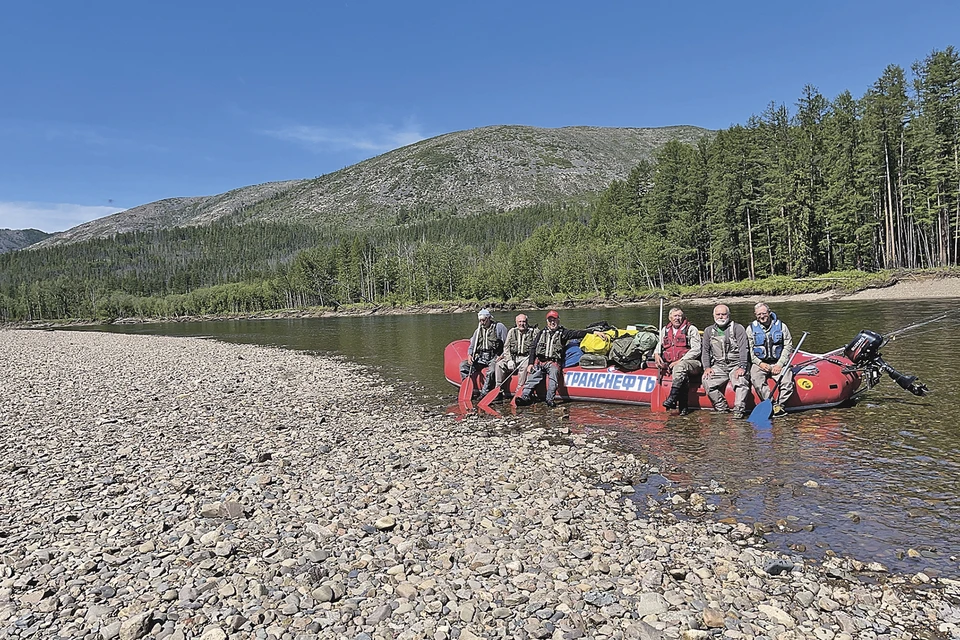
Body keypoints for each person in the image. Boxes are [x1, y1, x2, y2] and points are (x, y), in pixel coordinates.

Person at [516, 310, 595, 407]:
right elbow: (533, 347)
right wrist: (530, 363)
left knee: (553, 377)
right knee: (533, 376)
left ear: (558, 321)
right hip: (540, 362)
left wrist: (593, 332)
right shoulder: (541, 333)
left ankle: (549, 399)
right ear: (547, 321)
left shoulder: (563, 333)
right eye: (550, 320)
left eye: (554, 320)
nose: (552, 322)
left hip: (553, 362)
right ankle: (525, 397)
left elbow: (577, 333)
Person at [701, 304, 751, 418]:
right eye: (718, 314)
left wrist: (742, 366)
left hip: (736, 364)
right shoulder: (709, 331)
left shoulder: (738, 328)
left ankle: (739, 409)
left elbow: (744, 348)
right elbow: (705, 351)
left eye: (723, 314)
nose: (721, 317)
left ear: (728, 315)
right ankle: (721, 406)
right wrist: (707, 367)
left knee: (741, 381)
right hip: (719, 366)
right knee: (706, 380)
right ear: (714, 316)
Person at [749, 302, 795, 417]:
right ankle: (772, 404)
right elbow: (749, 350)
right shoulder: (750, 329)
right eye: (759, 314)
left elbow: (788, 346)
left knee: (787, 382)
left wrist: (780, 364)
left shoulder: (782, 326)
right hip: (760, 363)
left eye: (764, 313)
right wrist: (760, 363)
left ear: (769, 313)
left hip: (778, 361)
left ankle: (781, 405)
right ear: (755, 315)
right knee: (756, 379)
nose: (762, 316)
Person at [654, 307, 702, 415]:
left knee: (680, 367)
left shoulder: (691, 329)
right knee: (682, 375)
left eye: (679, 316)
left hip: (693, 363)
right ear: (670, 318)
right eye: (675, 316)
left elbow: (696, 350)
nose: (677, 318)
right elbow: (659, 345)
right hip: (674, 365)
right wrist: (656, 354)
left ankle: (672, 398)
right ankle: (683, 408)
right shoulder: (665, 330)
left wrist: (680, 360)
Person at [459, 309, 508, 395]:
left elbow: (507, 343)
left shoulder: (499, 327)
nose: (482, 322)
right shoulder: (478, 331)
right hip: (481, 357)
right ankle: (467, 386)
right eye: (480, 320)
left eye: (484, 320)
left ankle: (484, 392)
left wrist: (503, 355)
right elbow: (472, 345)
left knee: (491, 371)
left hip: (494, 357)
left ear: (489, 318)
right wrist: (470, 354)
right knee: (463, 366)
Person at [492, 313, 536, 401]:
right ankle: (498, 390)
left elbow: (536, 347)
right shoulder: (512, 332)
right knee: (499, 364)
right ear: (516, 322)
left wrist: (531, 358)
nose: (521, 324)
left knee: (524, 366)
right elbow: (506, 347)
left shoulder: (533, 332)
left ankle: (519, 391)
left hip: (525, 357)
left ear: (527, 322)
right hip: (513, 357)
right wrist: (509, 360)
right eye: (519, 322)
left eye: (524, 321)